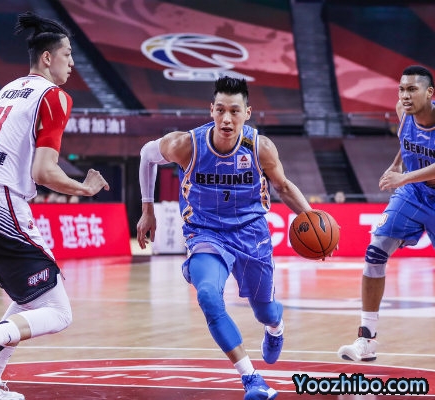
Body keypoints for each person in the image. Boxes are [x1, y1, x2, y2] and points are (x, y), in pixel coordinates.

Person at [0, 12, 109, 400]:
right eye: (67, 54)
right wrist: (84, 189)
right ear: (47, 58)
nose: (72, 63)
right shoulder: (54, 97)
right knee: (59, 312)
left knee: (28, 298)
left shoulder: (6, 91)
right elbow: (44, 171)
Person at [136, 76, 314, 400]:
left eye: (234, 111)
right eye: (220, 110)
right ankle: (252, 379)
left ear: (248, 113)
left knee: (265, 311)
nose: (227, 119)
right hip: (205, 233)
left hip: (251, 233)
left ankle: (275, 327)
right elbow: (147, 155)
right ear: (211, 110)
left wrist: (313, 218)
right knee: (208, 295)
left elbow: (284, 187)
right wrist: (147, 209)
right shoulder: (186, 144)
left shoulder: (260, 147)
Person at [338, 65, 435, 362]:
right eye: (401, 89)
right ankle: (366, 339)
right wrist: (397, 163)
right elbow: (407, 141)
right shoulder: (403, 112)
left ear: (430, 93)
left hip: (414, 185)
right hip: (414, 193)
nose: (405, 95)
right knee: (375, 252)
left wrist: (402, 177)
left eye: (412, 89)